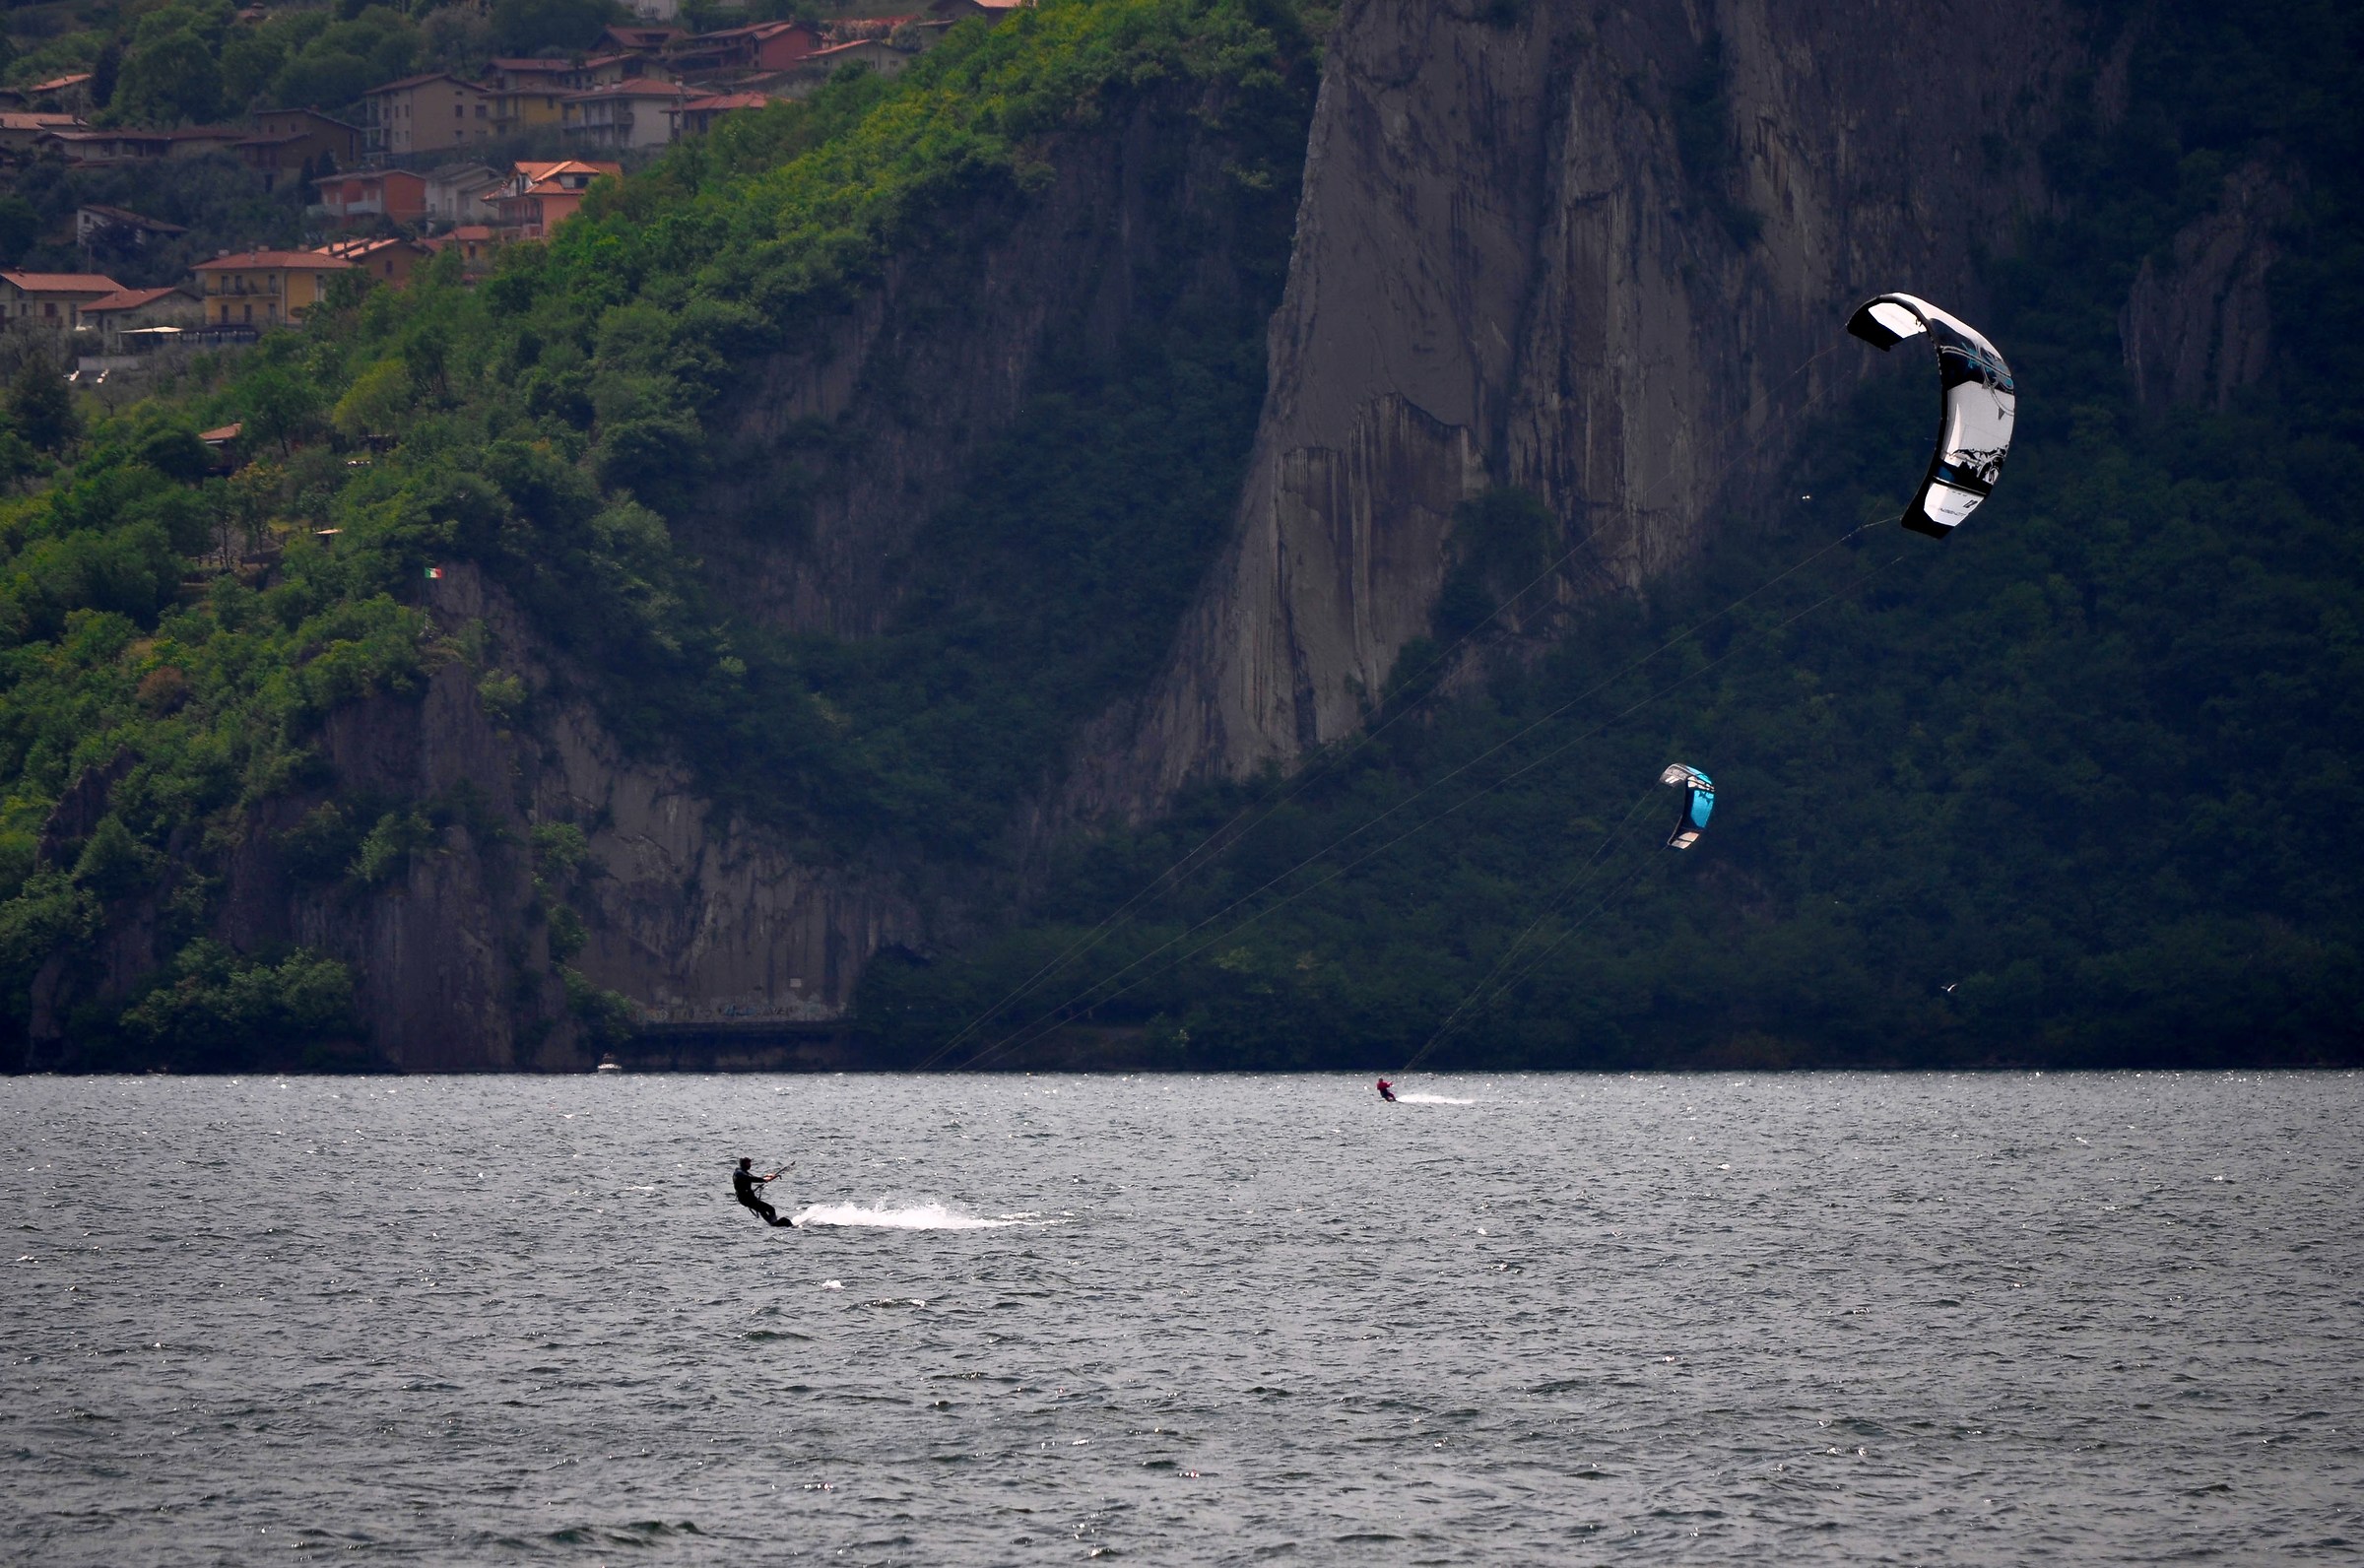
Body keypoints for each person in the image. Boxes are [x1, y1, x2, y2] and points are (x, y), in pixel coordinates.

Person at [733, 1157, 791, 1227]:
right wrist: (763, 1180)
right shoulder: (739, 1173)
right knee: (766, 1209)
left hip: (748, 1198)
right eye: (748, 1163)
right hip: (746, 1199)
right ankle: (774, 1224)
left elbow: (752, 1177)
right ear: (744, 1164)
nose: (750, 1165)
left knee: (767, 1210)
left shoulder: (743, 1172)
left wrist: (767, 1176)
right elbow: (749, 1178)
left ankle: (774, 1222)